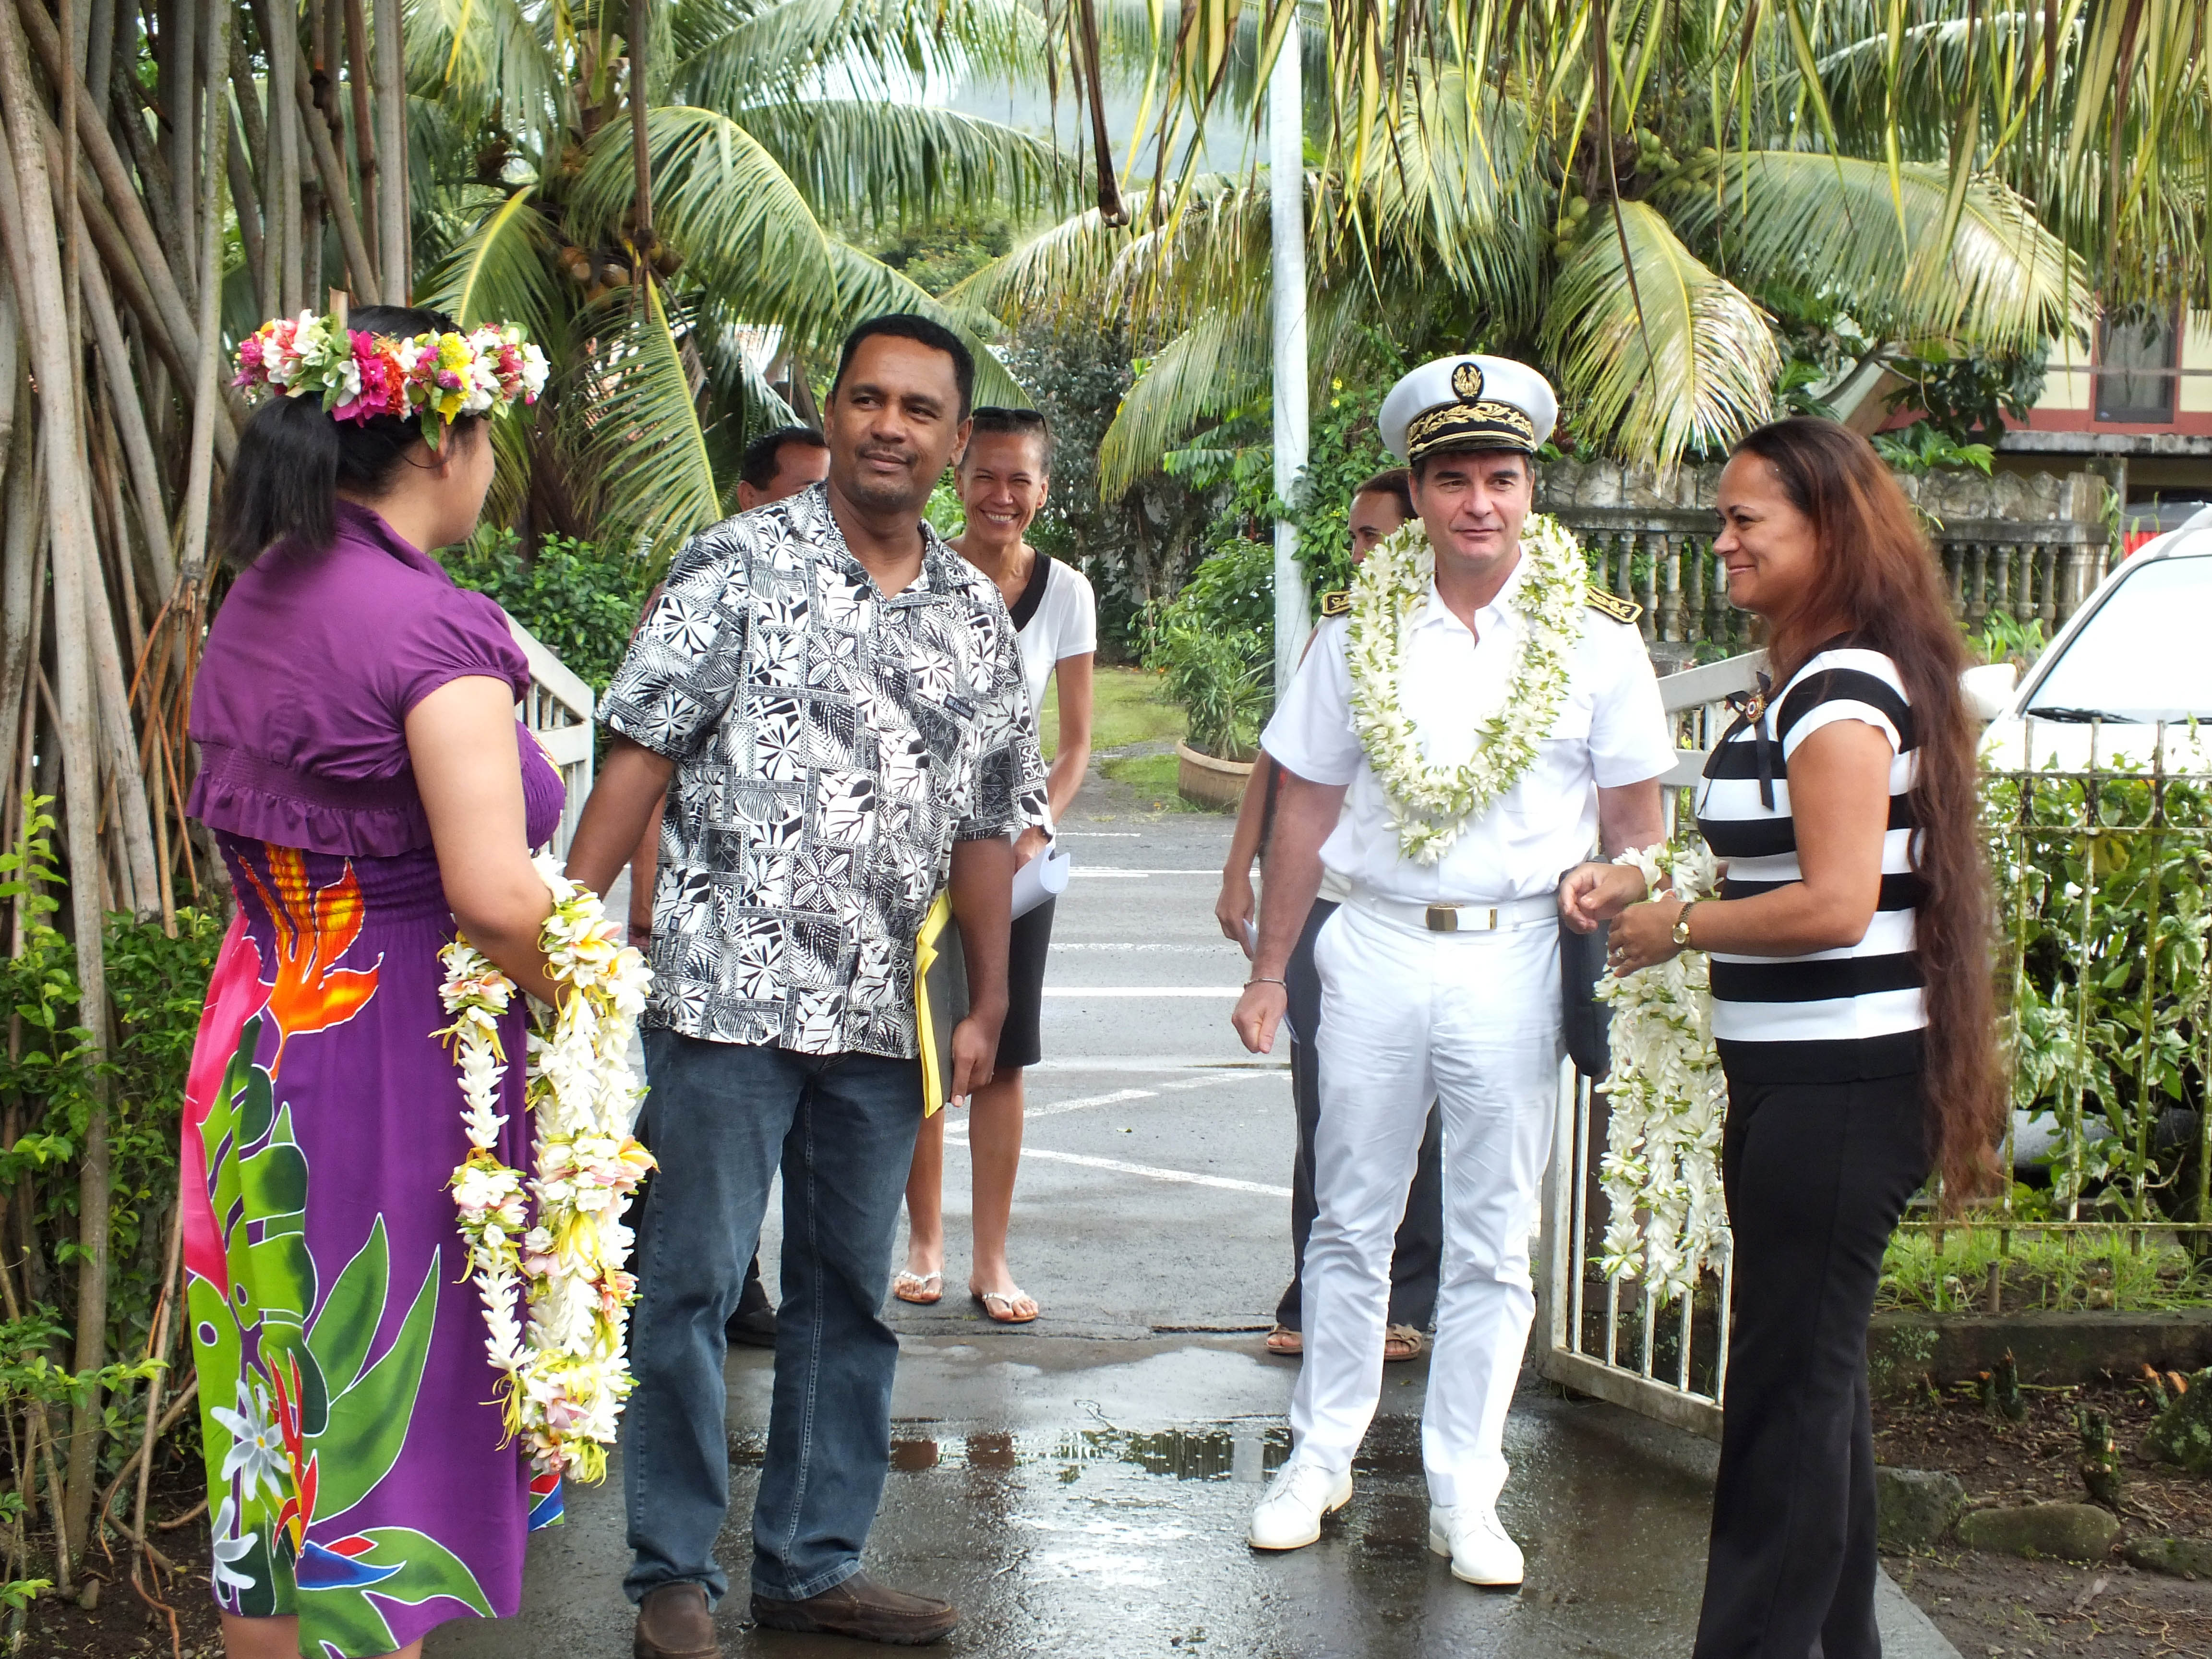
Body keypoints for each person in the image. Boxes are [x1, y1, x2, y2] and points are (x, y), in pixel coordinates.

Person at [566, 313, 1048, 1655]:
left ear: (956, 443)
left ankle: (812, 1564)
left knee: (848, 1298)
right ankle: (672, 1571)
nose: (891, 425)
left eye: (921, 410)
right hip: (723, 1005)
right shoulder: (734, 564)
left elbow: (991, 824)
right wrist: (560, 934)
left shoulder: (970, 614)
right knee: (691, 1285)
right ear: (831, 413)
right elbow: (642, 757)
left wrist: (990, 1002)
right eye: (868, 399)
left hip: (878, 1021)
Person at [1230, 355, 1675, 1585]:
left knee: (1489, 1239)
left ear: (1534, 491)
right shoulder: (1355, 633)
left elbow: (1640, 831)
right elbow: (1304, 816)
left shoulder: (1594, 643)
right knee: (1347, 1221)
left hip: (1517, 951)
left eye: (1502, 478)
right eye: (1454, 480)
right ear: (1417, 495)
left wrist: (1621, 882)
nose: (1479, 502)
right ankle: (1317, 1459)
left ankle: (1465, 1491)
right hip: (1370, 945)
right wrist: (1273, 970)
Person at [1577, 417, 2000, 1659]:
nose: (1724, 541)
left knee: (1782, 1404)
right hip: (1795, 1085)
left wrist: (1680, 925)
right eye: (1724, 518)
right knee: (1815, 1397)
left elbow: (1835, 902)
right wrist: (1639, 883)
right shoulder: (1801, 679)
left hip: (1843, 1091)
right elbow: (1774, 857)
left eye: (1746, 520)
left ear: (1829, 531)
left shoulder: (1846, 687)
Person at [182, 305, 560, 1659]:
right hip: (389, 1060)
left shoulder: (259, 595)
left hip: (259, 1044)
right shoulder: (432, 632)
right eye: (488, 437)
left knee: (272, 1428)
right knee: (365, 1424)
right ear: (445, 437)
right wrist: (594, 1007)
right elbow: (495, 895)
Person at [1215, 469, 1443, 1364]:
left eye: (1379, 536)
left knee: (1428, 1122)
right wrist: (1241, 870)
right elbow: (1283, 769)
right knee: (1327, 1111)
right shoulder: (1339, 635)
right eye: (1355, 537)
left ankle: (1406, 1297)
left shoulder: (1481, 645)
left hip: (1426, 916)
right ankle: (1313, 1294)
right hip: (1328, 909)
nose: (1361, 553)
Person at [620, 423, 830, 1353]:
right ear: (750, 495)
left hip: (799, 934)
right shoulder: (706, 583)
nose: (815, 509)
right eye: (797, 490)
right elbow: (649, 761)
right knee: (689, 1119)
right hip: (703, 916)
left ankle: (717, 1276)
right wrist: (642, 894)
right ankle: (652, 1266)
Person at [897, 407, 1096, 1324]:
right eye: (985, 477)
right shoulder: (914, 571)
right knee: (921, 1053)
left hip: (1015, 864)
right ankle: (925, 1245)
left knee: (1004, 1054)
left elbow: (1078, 745)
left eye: (1020, 479)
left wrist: (1029, 831)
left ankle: (992, 1259)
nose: (1001, 496)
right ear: (957, 478)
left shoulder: (1066, 592)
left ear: (1043, 490)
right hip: (907, 853)